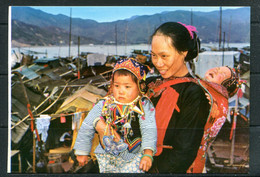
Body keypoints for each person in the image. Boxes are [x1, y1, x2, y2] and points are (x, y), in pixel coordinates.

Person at [146, 21, 227, 173]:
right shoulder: (150, 83)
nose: (158, 63)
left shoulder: (193, 94)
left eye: (164, 56)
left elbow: (184, 152)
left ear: (183, 52)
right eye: (153, 55)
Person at [73, 58, 157, 173]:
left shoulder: (143, 104)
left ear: (140, 86)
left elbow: (149, 129)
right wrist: (82, 151)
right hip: (107, 158)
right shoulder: (104, 103)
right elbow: (87, 125)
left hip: (133, 157)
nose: (121, 91)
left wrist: (148, 154)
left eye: (127, 87)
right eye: (117, 86)